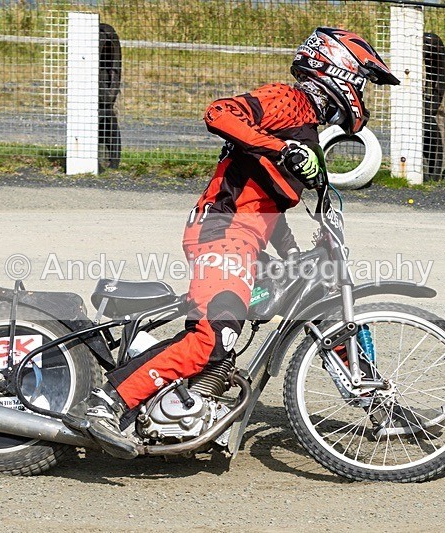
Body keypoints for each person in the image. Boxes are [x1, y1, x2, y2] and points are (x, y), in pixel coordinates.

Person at [63, 27, 400, 458]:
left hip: (242, 237)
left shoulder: (308, 128)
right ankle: (104, 406)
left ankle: (382, 409)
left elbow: (263, 203)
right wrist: (280, 148)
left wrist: (293, 252)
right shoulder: (288, 100)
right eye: (362, 80)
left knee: (262, 313)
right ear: (337, 69)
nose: (362, 92)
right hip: (222, 233)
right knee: (212, 337)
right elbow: (219, 112)